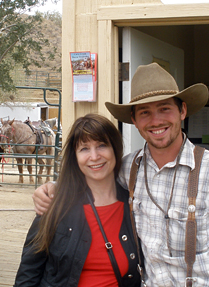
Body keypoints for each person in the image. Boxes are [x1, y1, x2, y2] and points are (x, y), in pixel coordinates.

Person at [33, 63, 209, 286]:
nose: (156, 121)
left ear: (182, 110)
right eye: (145, 112)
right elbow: (90, 174)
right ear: (134, 120)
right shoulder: (127, 169)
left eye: (165, 108)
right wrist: (52, 188)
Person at [14, 114, 143, 286]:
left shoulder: (135, 205)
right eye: (84, 149)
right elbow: (28, 274)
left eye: (102, 145)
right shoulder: (56, 204)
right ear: (75, 156)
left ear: (115, 149)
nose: (94, 156)